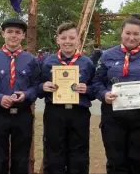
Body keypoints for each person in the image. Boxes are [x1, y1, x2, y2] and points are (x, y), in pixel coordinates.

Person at [92, 15, 140, 174]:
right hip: (113, 118)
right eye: (128, 33)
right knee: (116, 161)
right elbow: (96, 82)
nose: (132, 37)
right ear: (121, 33)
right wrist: (104, 94)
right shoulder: (108, 55)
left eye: (136, 34)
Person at [0, 18, 41, 174]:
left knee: (21, 159)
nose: (13, 36)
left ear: (23, 35)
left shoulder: (31, 60)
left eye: (17, 32)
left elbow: (37, 86)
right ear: (3, 34)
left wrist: (26, 94)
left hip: (22, 114)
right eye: (9, 32)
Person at [39, 22, 95, 174]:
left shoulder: (87, 63)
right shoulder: (48, 62)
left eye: (72, 37)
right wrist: (43, 87)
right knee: (53, 153)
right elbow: (37, 86)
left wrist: (87, 89)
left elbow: (95, 89)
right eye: (63, 38)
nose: (67, 41)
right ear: (57, 40)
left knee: (79, 153)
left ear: (78, 39)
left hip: (79, 112)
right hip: (55, 112)